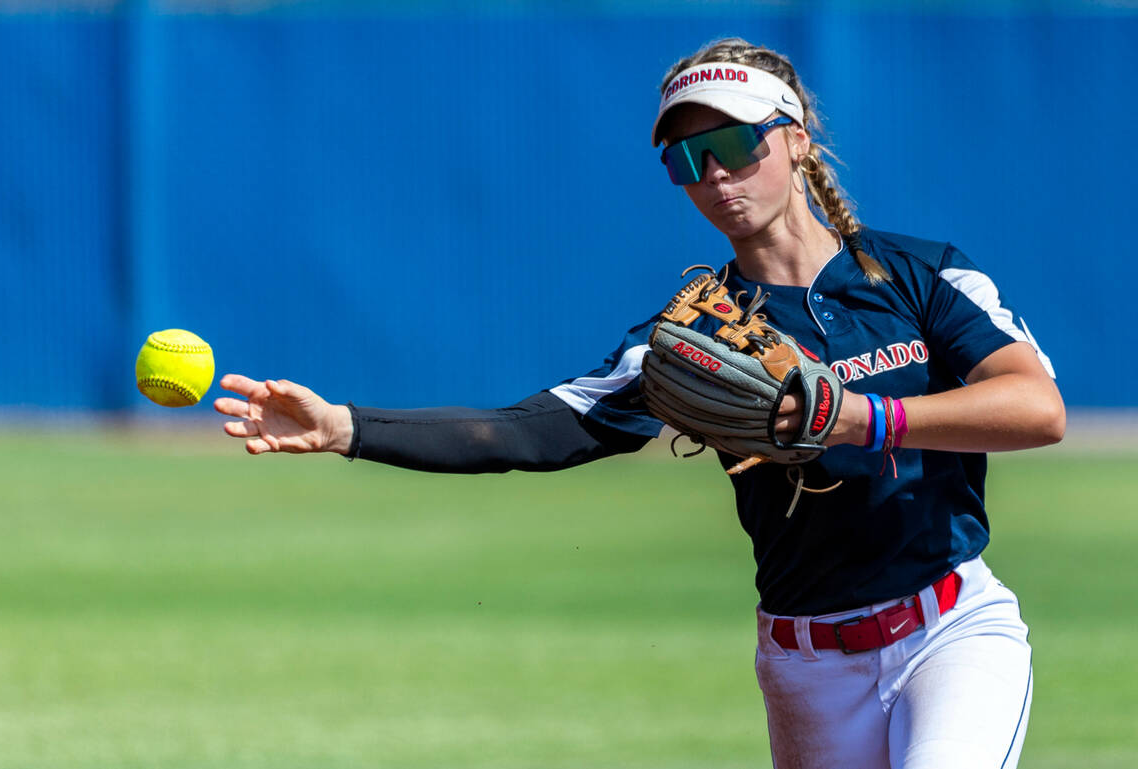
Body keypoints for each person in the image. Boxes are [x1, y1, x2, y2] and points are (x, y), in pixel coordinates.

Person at [214, 37, 1063, 769]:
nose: (715, 174)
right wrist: (346, 428)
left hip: (950, 634)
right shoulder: (696, 341)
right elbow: (537, 427)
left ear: (796, 140)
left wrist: (865, 418)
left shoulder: (915, 276)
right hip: (805, 664)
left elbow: (1035, 406)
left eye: (733, 143)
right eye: (687, 159)